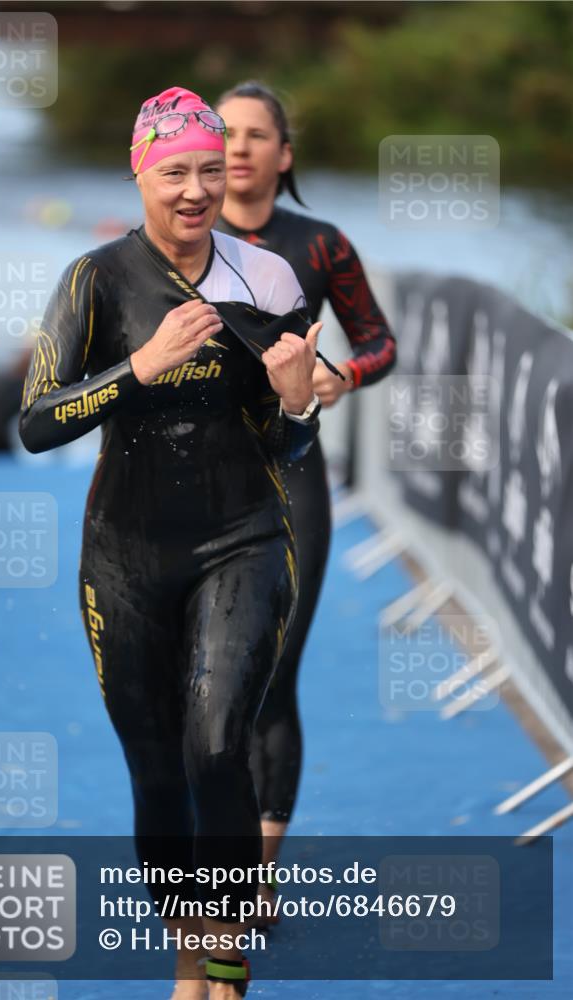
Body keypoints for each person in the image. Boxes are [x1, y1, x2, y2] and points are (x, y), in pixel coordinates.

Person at [19, 86, 323, 1000]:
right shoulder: (94, 279)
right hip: (125, 559)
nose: (195, 190)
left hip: (243, 539)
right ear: (140, 172)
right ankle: (189, 956)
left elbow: (285, 444)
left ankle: (222, 966)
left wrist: (297, 404)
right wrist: (138, 367)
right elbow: (35, 422)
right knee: (155, 771)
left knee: (218, 744)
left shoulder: (266, 279)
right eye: (174, 172)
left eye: (210, 171)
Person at [214, 82, 396, 905]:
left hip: (290, 471)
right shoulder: (181, 241)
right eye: (224, 132)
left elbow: (378, 340)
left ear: (282, 154)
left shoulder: (319, 244)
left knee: (273, 671)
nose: (238, 147)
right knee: (203, 680)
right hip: (199, 476)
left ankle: (257, 875)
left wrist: (342, 375)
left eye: (256, 135)